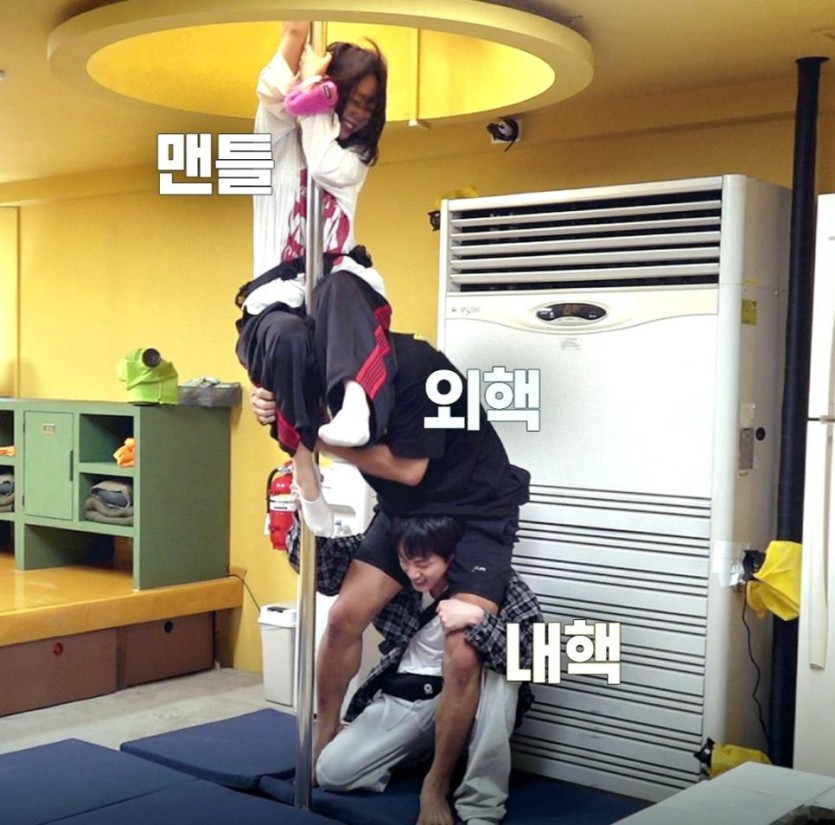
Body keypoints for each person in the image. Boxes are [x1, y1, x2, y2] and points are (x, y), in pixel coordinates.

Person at [251, 332, 531, 825]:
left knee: (464, 649)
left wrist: (308, 432)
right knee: (343, 617)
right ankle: (324, 738)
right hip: (405, 510)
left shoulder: (421, 368)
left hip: (476, 508)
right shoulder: (315, 371)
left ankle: (436, 786)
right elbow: (321, 558)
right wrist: (280, 418)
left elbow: (409, 469)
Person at [235, 21, 396, 532]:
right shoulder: (277, 142)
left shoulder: (354, 160)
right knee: (286, 336)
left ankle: (354, 403)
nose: (359, 112)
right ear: (333, 88)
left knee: (340, 283)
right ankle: (306, 476)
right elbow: (270, 90)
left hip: (335, 300)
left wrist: (316, 98)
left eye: (370, 104)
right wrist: (296, 40)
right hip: (276, 299)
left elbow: (325, 164)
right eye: (352, 97)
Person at [286, 513, 543, 824]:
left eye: (423, 563)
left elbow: (536, 658)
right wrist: (305, 512)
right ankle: (419, 753)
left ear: (452, 555)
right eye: (405, 561)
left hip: (469, 696)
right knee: (333, 773)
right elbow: (322, 569)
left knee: (503, 677)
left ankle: (480, 807)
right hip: (409, 697)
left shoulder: (493, 580)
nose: (414, 573)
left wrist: (479, 619)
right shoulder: (391, 564)